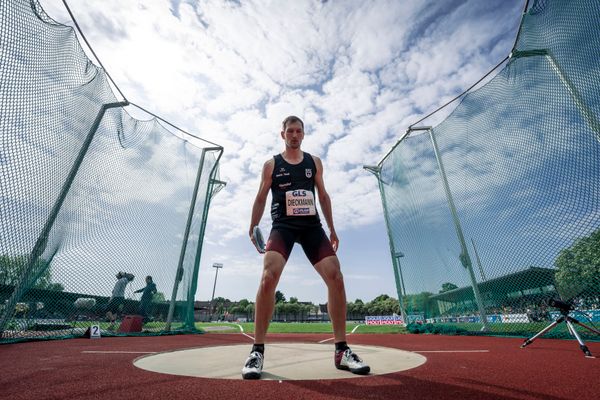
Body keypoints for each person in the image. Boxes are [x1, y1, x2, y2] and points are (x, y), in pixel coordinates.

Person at [242, 115, 370, 379]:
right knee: (268, 277)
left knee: (336, 276)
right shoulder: (271, 165)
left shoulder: (314, 163)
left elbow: (322, 195)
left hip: (312, 227)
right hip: (284, 226)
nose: (294, 135)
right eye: (290, 131)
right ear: (283, 135)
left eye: (299, 131)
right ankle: (257, 351)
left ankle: (342, 351)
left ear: (303, 134)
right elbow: (260, 197)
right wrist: (253, 227)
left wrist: (333, 228)